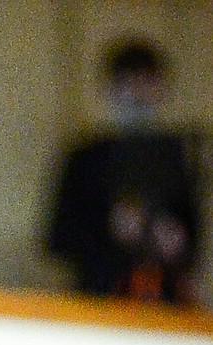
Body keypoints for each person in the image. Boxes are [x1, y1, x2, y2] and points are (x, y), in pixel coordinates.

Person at [47, 37, 203, 304]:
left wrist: (176, 243)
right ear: (110, 90)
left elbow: (192, 242)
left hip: (165, 301)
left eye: (147, 83)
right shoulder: (85, 158)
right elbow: (58, 239)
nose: (138, 94)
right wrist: (110, 229)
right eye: (128, 84)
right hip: (99, 296)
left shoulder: (178, 156)